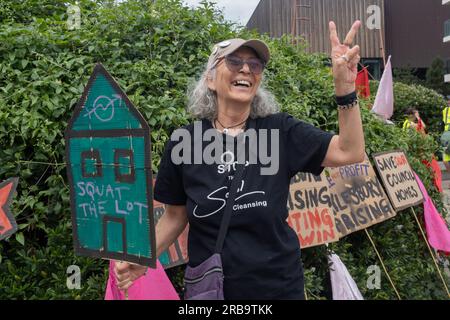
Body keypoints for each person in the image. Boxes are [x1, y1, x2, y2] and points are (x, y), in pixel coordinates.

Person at [113, 21, 365, 299]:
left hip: (277, 288)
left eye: (254, 65)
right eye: (233, 61)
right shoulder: (184, 141)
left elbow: (349, 152)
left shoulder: (281, 131)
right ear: (210, 78)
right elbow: (175, 216)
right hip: (211, 291)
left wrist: (345, 88)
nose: (245, 69)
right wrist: (145, 257)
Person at [442, 100, 450, 172]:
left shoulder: (445, 110)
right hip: (447, 136)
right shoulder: (445, 110)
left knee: (445, 159)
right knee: (445, 159)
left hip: (446, 135)